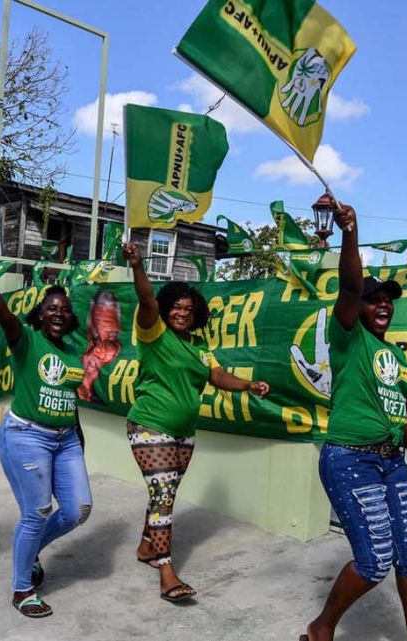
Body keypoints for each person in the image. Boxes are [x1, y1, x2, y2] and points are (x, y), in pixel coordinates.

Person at [302, 197, 407, 641]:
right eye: (373, 299)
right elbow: (347, 287)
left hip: (393, 464)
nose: (382, 305)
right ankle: (322, 627)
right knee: (374, 560)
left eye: (387, 301)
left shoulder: (399, 357)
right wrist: (349, 233)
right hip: (350, 459)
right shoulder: (348, 338)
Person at [121, 242, 271, 603]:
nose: (182, 313)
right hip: (149, 426)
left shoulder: (200, 347)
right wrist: (138, 266)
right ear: (166, 307)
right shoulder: (153, 332)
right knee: (164, 497)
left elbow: (218, 377)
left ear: (197, 313)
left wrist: (248, 385)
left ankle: (146, 547)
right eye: (176, 306)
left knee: (164, 492)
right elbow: (145, 301)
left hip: (184, 435)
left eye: (189, 309)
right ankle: (167, 571)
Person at [0, 250, 94, 618]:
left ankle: (31, 549)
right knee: (35, 512)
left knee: (78, 509)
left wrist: (77, 437)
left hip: (65, 440)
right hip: (26, 436)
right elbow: (2, 312)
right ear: (40, 313)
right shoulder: (26, 339)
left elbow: (68, 396)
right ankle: (22, 589)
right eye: (51, 307)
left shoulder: (73, 352)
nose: (59, 313)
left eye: (64, 309)